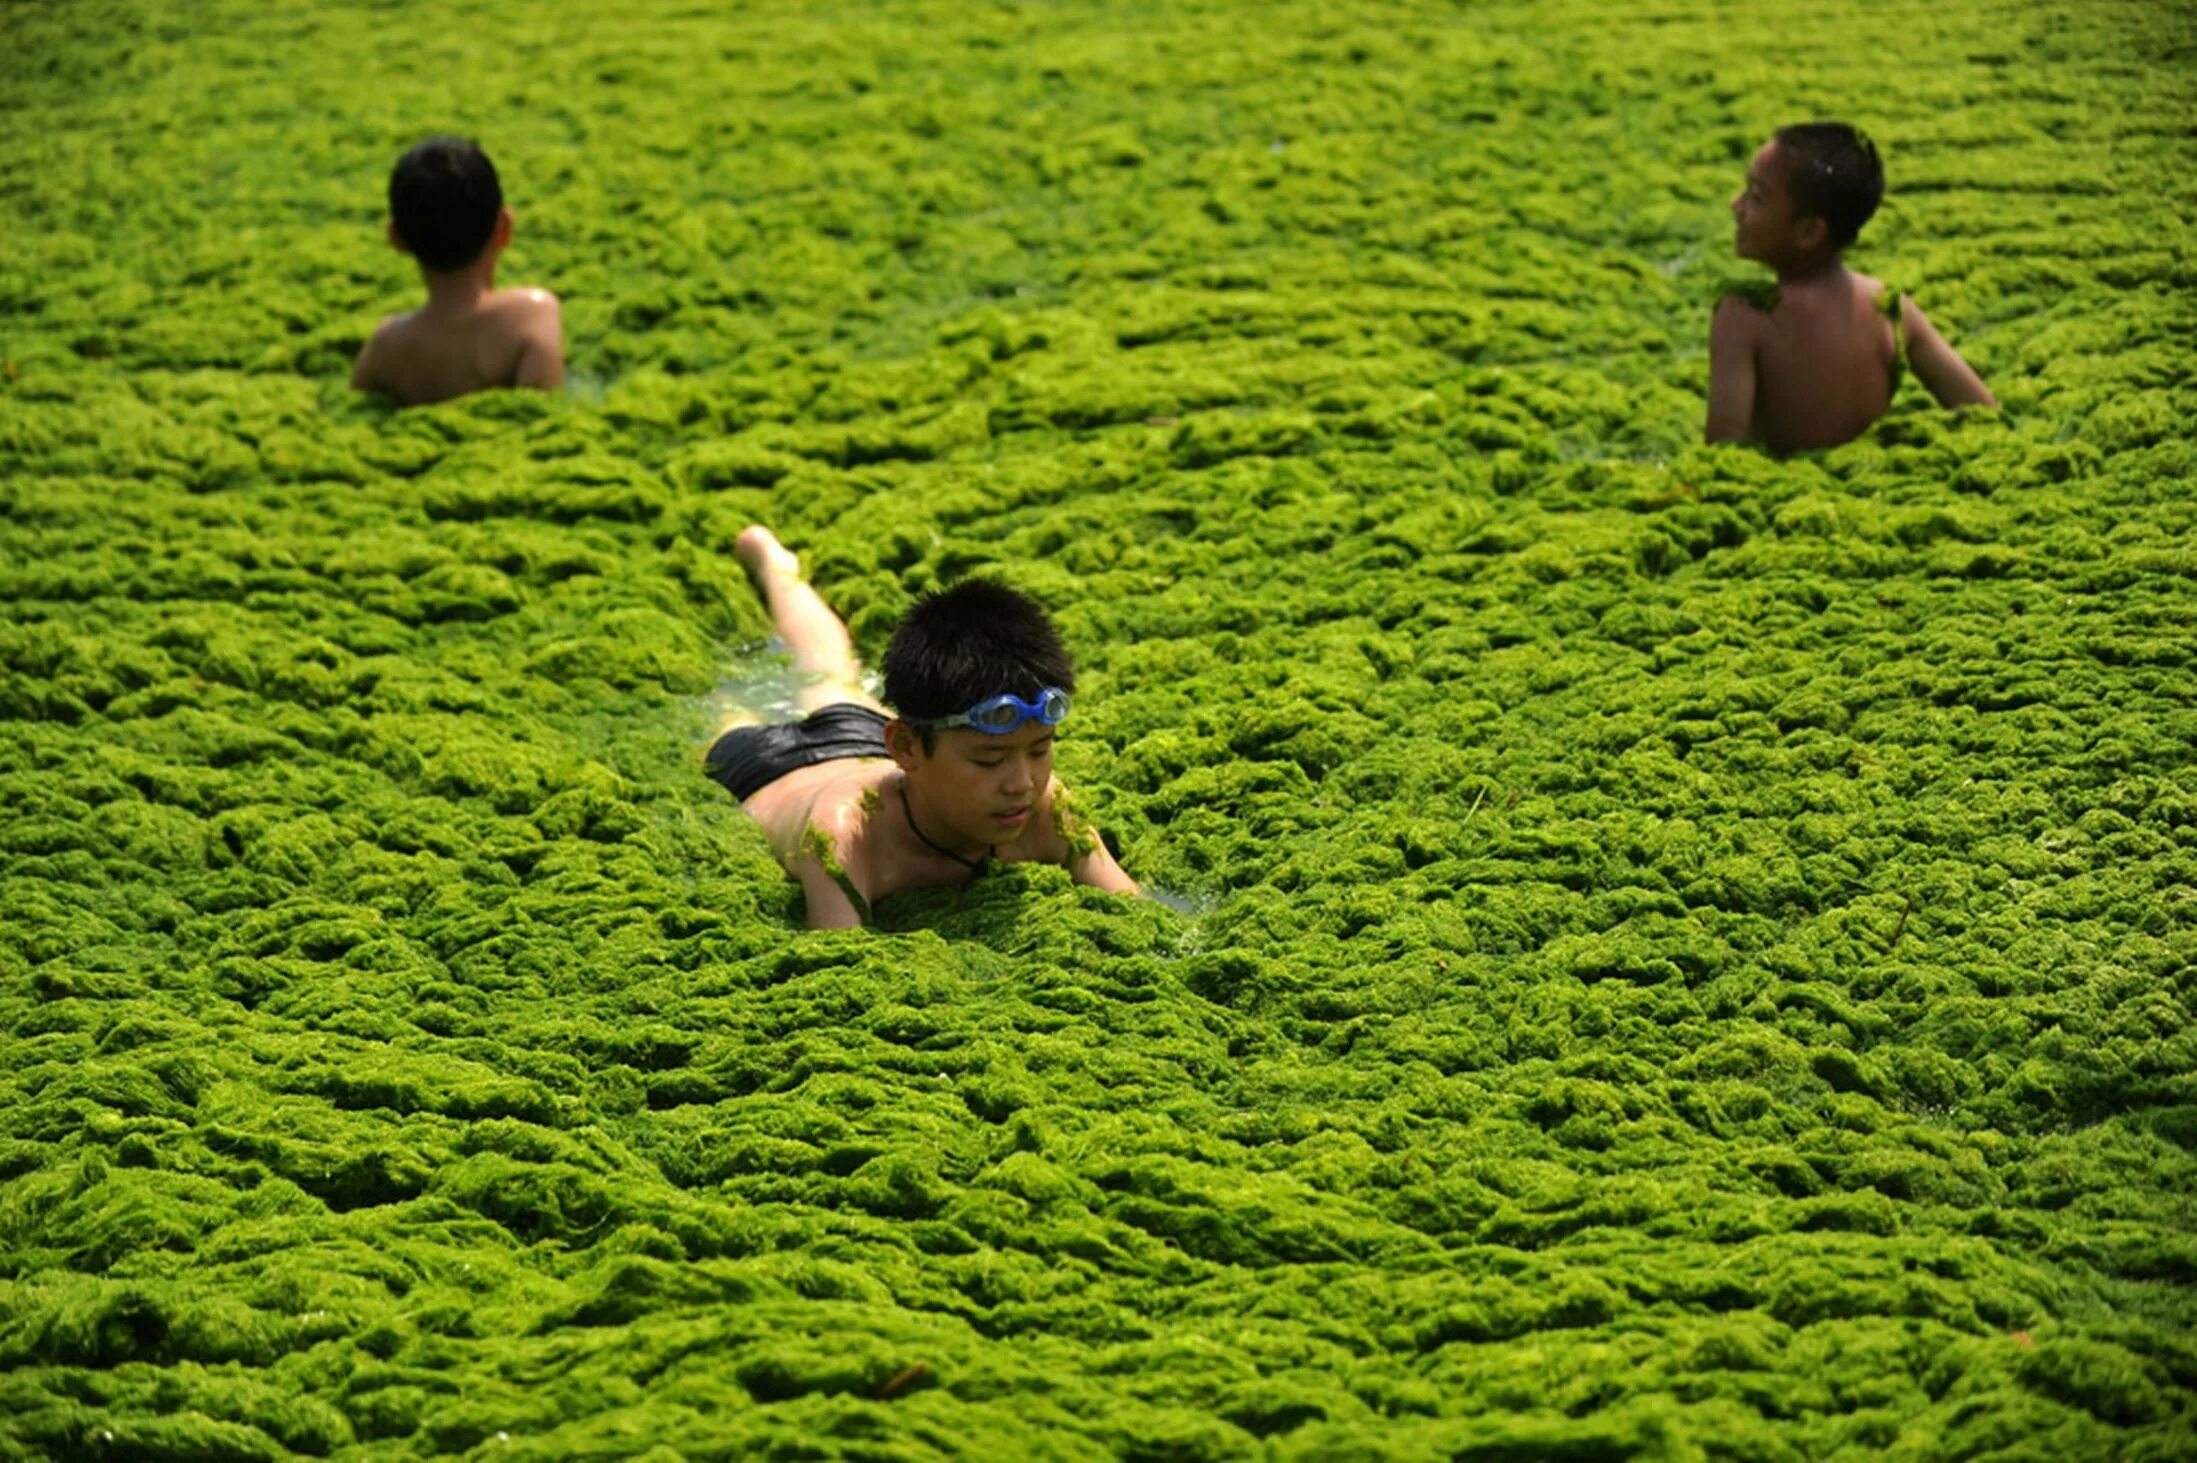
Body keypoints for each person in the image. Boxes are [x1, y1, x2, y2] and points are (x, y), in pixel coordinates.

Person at [705, 526, 1140, 929]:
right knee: (736, 705)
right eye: (990, 760)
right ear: (907, 747)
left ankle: (774, 566)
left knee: (834, 674)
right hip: (765, 765)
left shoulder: (1047, 810)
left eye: (1040, 750)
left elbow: (1136, 915)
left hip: (860, 736)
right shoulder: (842, 836)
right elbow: (838, 961)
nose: (1022, 784)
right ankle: (776, 569)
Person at [1707, 122, 1995, 453]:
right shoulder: (1891, 310)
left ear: (1809, 233)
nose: (1736, 205)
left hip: (1785, 500)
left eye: (1755, 197)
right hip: (1868, 489)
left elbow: (1722, 454)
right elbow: (1983, 412)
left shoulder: (1743, 317)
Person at [351, 136, 564, 406]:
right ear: (504, 228)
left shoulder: (386, 348)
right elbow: (541, 418)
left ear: (396, 238)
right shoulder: (533, 316)